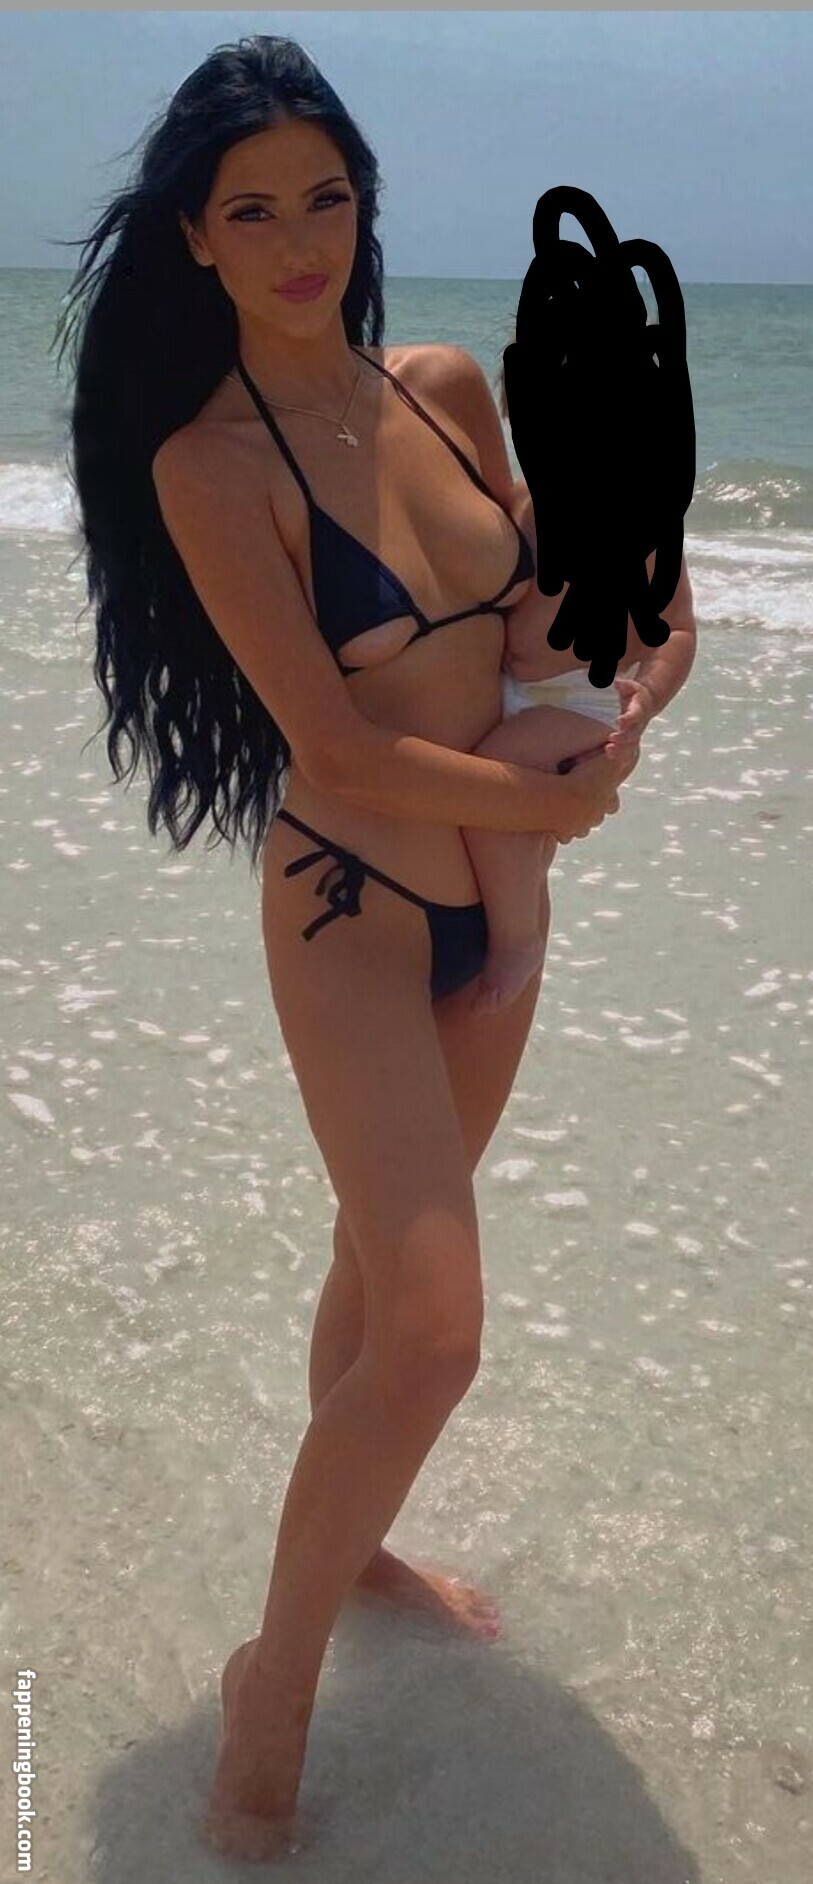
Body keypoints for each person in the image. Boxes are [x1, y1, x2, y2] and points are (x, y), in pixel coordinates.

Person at [54, 34, 655, 1864]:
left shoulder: (444, 390)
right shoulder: (208, 465)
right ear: (192, 237)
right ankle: (277, 1685)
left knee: (373, 1272)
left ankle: (360, 1537)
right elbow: (326, 746)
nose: (301, 241)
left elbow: (567, 596)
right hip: (354, 915)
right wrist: (549, 803)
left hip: (500, 894)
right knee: (438, 1328)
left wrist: (635, 682)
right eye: (252, 211)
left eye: (326, 197)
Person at [462, 472, 697, 1015]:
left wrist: (649, 698)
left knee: (490, 780)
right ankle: (508, 920)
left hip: (587, 701)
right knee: (523, 834)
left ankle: (516, 940)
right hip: (518, 692)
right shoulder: (516, 497)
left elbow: (677, 627)